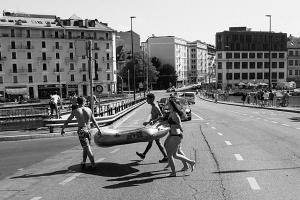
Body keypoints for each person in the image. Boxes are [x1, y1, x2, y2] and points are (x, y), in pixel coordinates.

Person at [61, 96, 102, 169]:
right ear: (84, 102)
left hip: (81, 130)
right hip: (88, 130)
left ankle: (93, 164)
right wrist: (99, 129)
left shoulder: (75, 111)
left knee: (87, 147)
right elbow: (94, 121)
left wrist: (63, 129)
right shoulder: (89, 109)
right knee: (85, 147)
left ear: (77, 102)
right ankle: (83, 162)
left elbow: (67, 121)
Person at [163, 99, 195, 177]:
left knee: (171, 155)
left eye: (168, 104)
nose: (167, 105)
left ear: (172, 105)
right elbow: (168, 122)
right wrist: (160, 124)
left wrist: (171, 126)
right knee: (174, 154)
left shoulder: (175, 114)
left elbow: (180, 127)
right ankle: (190, 162)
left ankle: (173, 172)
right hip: (172, 135)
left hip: (176, 136)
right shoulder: (171, 113)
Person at [136, 93, 168, 163]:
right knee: (153, 142)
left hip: (156, 127)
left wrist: (154, 121)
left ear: (152, 99)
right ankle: (144, 154)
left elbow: (161, 116)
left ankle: (166, 157)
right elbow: (154, 117)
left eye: (147, 99)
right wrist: (147, 123)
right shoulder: (153, 106)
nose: (146, 100)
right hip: (154, 127)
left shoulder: (155, 107)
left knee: (156, 142)